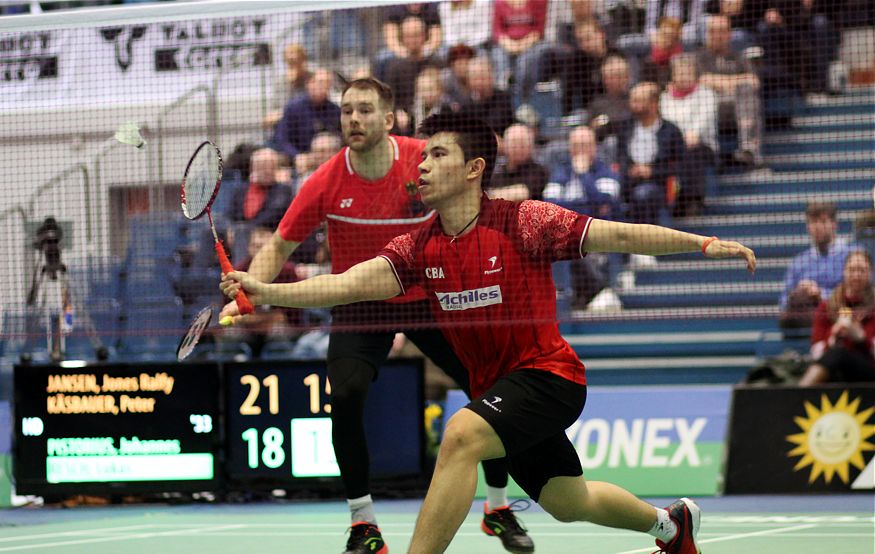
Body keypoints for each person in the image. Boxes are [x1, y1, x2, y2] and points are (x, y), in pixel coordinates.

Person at [221, 112, 757, 554]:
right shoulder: (419, 246)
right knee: (569, 503)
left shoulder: (524, 221)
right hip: (498, 390)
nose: (422, 166)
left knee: (460, 435)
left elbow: (617, 235)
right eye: (423, 155)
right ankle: (671, 526)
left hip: (549, 377)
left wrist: (701, 243)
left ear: (475, 168)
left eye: (438, 155)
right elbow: (345, 285)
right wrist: (264, 292)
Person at [220, 79, 533, 554]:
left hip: (429, 294)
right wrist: (246, 292)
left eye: (365, 110)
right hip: (359, 300)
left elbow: (471, 198)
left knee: (487, 386)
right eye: (347, 111)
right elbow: (281, 244)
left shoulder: (422, 162)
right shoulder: (325, 181)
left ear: (388, 120)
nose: (354, 119)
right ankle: (362, 523)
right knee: (343, 395)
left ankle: (497, 506)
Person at [696, 14, 763, 168]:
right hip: (709, 108)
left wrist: (719, 82)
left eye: (722, 31)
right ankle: (713, 158)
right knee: (742, 89)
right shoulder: (700, 56)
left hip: (737, 107)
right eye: (713, 31)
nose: (717, 35)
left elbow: (754, 82)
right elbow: (702, 80)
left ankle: (748, 148)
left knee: (747, 93)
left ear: (729, 34)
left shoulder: (739, 56)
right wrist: (738, 81)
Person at [800, 250, 875, 385]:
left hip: (868, 370)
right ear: (844, 271)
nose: (856, 275)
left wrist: (861, 338)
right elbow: (816, 352)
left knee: (839, 354)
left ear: (870, 273)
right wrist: (833, 337)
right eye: (852, 270)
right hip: (833, 368)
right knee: (836, 354)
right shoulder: (826, 306)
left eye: (862, 270)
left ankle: (798, 397)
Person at [616, 82, 685, 225]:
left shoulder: (671, 131)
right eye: (632, 100)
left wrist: (652, 172)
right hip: (628, 183)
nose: (633, 105)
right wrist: (629, 170)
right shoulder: (625, 128)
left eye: (638, 101)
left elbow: (681, 166)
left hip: (658, 184)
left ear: (653, 104)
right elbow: (620, 158)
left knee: (644, 194)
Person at [660, 54, 718, 217]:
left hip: (702, 146)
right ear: (673, 76)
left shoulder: (706, 94)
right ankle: (671, 202)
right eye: (680, 73)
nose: (684, 77)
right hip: (674, 146)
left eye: (688, 73)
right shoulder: (664, 98)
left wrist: (691, 135)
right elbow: (665, 123)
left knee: (692, 152)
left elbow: (703, 121)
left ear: (694, 75)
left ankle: (692, 201)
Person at [779, 202, 855, 329]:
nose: (818, 227)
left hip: (841, 319)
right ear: (808, 227)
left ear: (834, 224)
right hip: (804, 321)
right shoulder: (798, 262)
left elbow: (856, 294)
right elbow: (783, 301)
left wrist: (820, 294)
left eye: (823, 222)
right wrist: (799, 293)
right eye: (813, 222)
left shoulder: (851, 256)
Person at [271, 69, 341, 163]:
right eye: (321, 82)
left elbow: (341, 138)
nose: (324, 87)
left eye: (328, 83)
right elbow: (282, 139)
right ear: (309, 83)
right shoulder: (293, 108)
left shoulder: (335, 110)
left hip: (328, 160)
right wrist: (297, 156)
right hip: (301, 159)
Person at [227, 148, 293, 230]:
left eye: (271, 166)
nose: (267, 171)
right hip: (240, 235)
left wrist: (248, 228)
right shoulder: (241, 189)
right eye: (262, 166)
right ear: (252, 168)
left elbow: (273, 214)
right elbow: (230, 215)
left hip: (269, 234)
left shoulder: (283, 190)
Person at [489, 124, 548, 201]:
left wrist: (492, 195)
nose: (518, 147)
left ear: (531, 146)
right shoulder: (497, 173)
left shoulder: (539, 171)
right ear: (505, 145)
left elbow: (523, 193)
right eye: (514, 142)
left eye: (523, 143)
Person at [263, 43, 312, 130]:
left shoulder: (311, 79)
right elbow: (270, 117)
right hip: (285, 127)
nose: (293, 63)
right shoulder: (280, 82)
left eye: (297, 61)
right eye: (290, 63)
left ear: (303, 60)